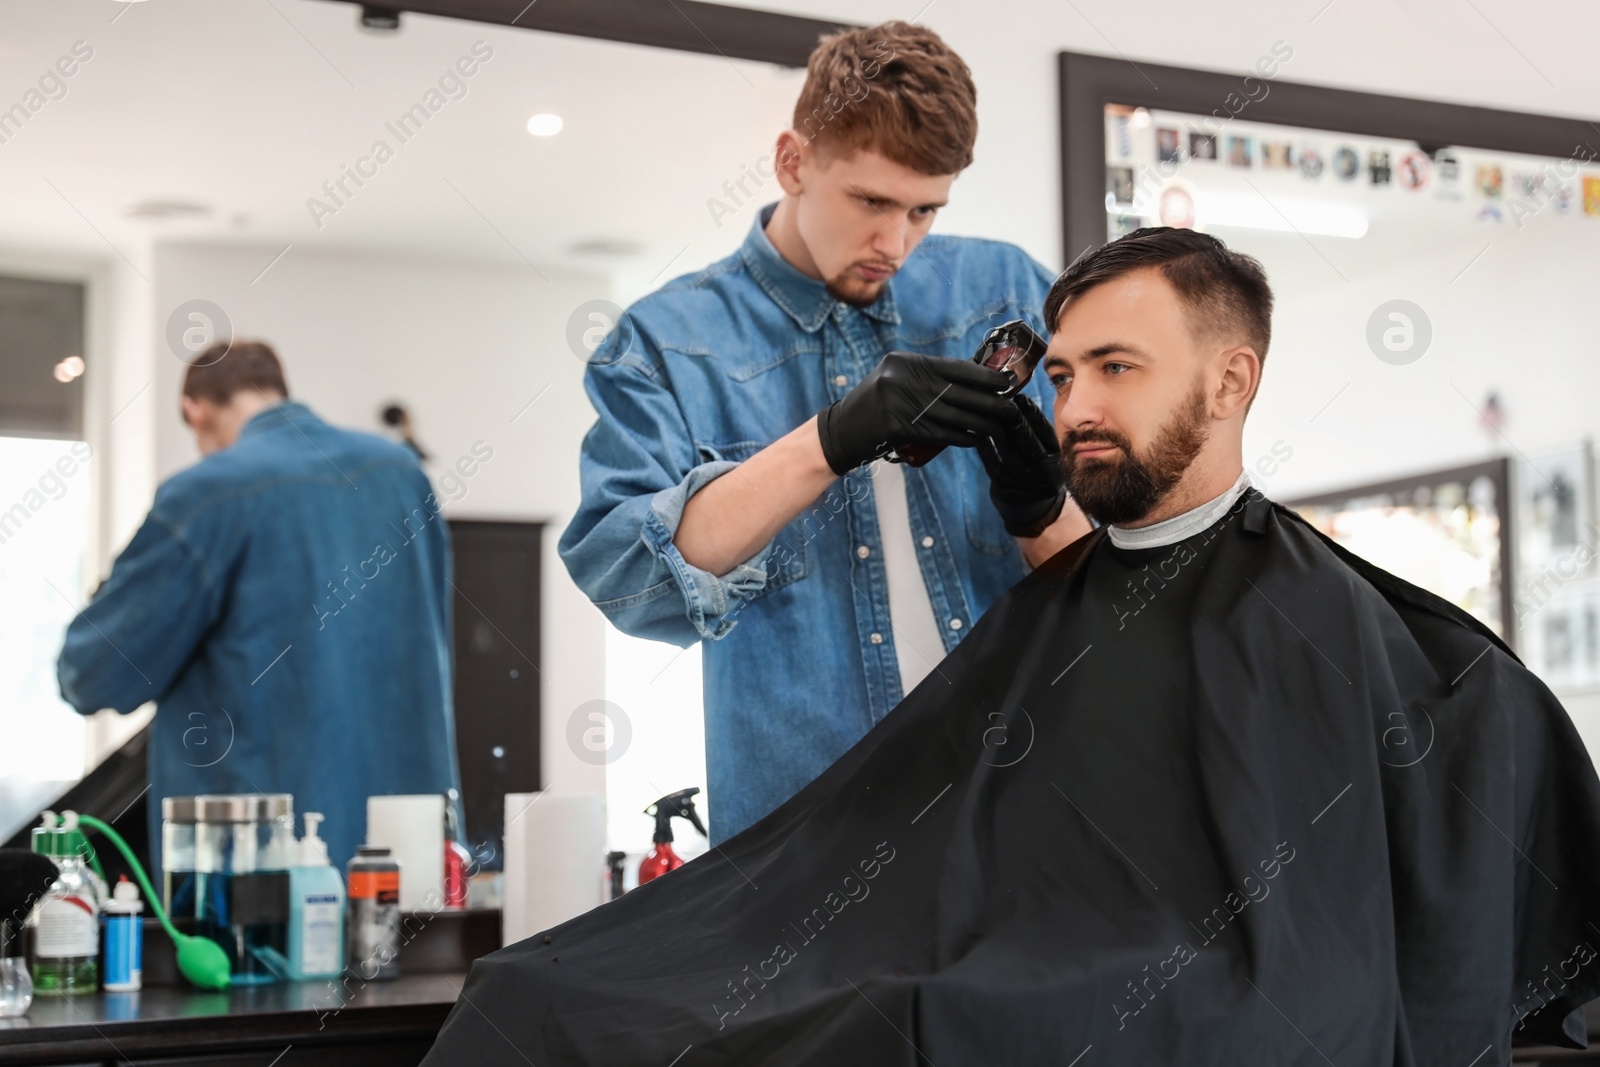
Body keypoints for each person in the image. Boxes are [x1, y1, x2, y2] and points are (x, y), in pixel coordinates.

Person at [424, 228, 1600, 1065]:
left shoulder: (1390, 645)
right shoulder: (1068, 600)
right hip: (935, 946)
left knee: (922, 1022)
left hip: (1118, 997)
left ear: (1232, 379)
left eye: (1116, 370)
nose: (1075, 403)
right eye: (1063, 373)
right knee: (535, 993)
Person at [559, 20, 1090, 843]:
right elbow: (630, 582)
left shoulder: (1008, 290)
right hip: (807, 844)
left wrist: (1043, 503)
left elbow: (1118, 576)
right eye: (872, 201)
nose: (897, 243)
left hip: (1019, 811)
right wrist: (825, 443)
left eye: (924, 210)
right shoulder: (665, 343)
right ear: (793, 162)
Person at [57, 341, 461, 877]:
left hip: (258, 875)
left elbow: (93, 676)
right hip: (409, 861)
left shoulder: (206, 493)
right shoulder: (401, 474)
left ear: (194, 409)